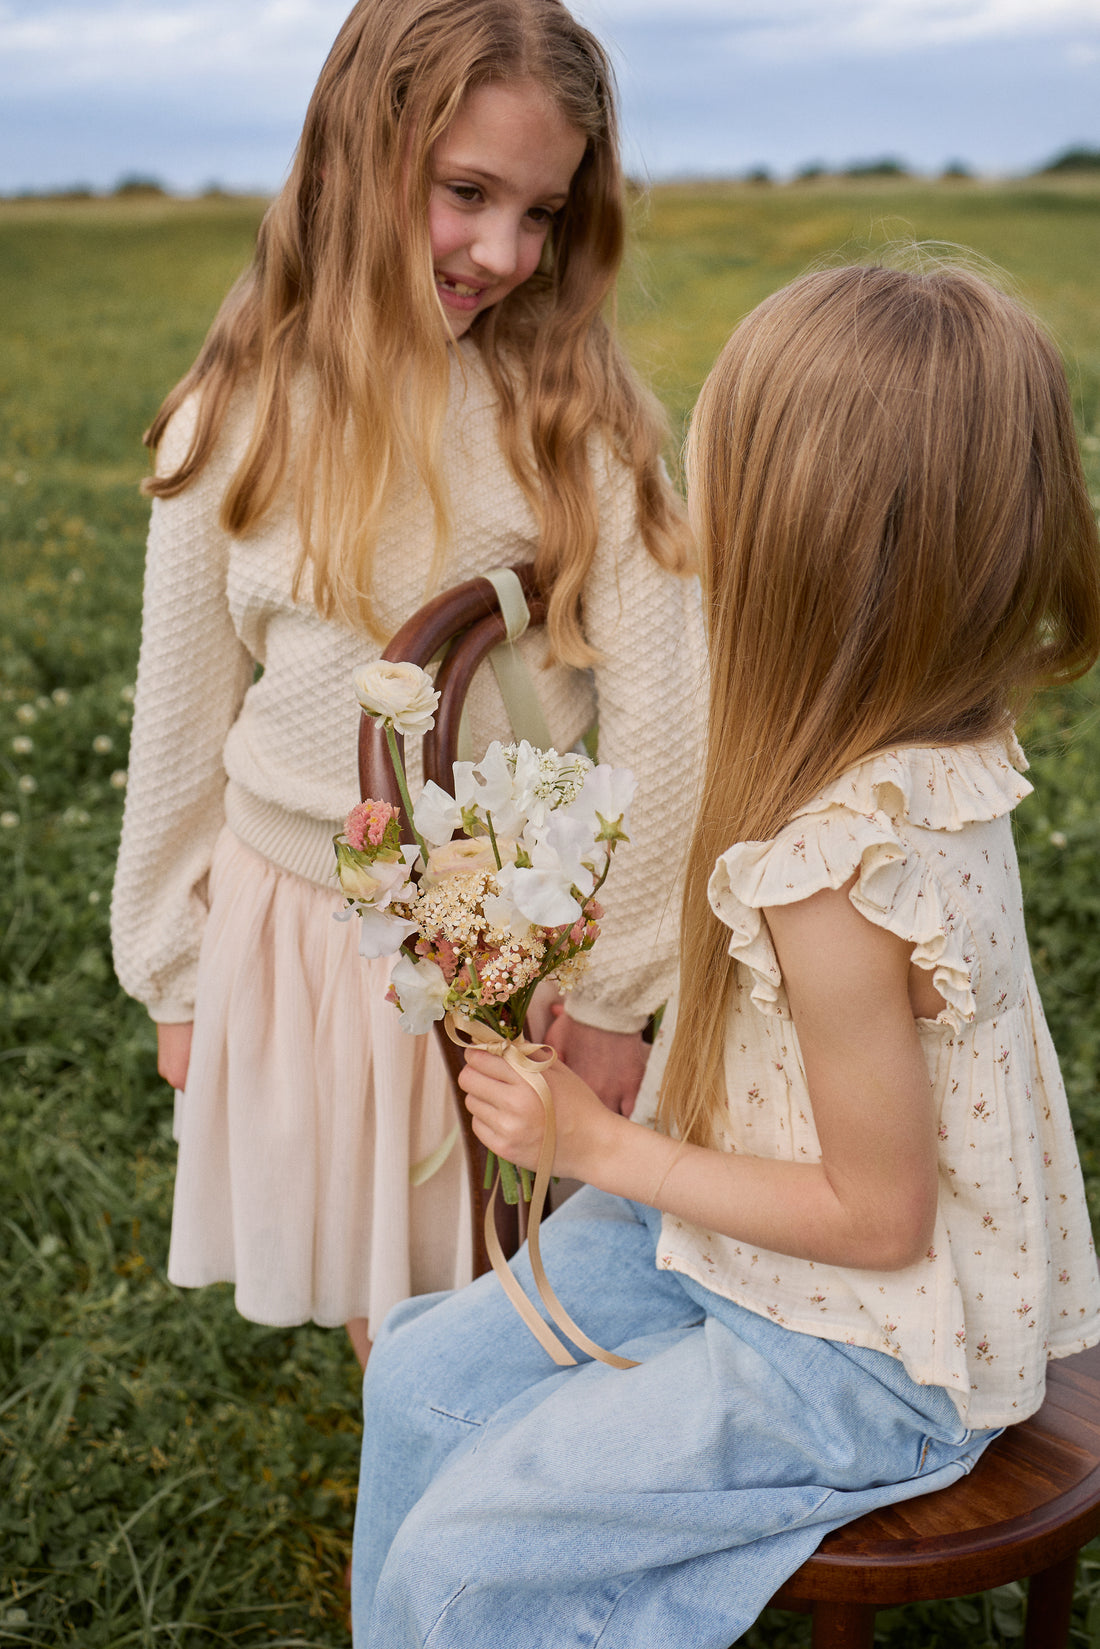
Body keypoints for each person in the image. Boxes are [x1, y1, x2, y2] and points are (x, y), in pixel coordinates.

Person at [350, 260, 1100, 1648]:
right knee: (417, 1376)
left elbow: (882, 1220)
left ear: (807, 555)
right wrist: (639, 1082)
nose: (698, 537)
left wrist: (602, 1146)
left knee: (461, 1566)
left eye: (721, 503)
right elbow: (799, 1060)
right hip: (747, 1235)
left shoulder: (848, 863)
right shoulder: (913, 740)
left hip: (866, 1351)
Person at [110, 0, 702, 1369]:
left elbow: (677, 716)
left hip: (518, 949)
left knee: (524, 1282)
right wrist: (176, 969)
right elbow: (180, 717)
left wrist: (617, 990)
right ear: (353, 154)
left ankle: (510, 1516)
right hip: (297, 932)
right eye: (468, 193)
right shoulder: (238, 414)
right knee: (395, 1288)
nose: (506, 251)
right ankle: (421, 1512)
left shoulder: (575, 424)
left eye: (542, 212)